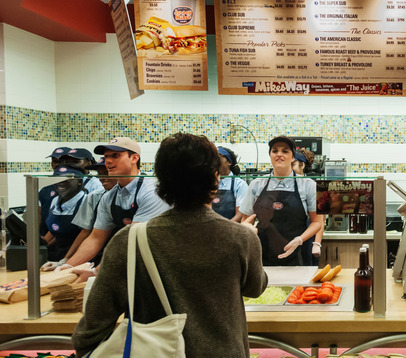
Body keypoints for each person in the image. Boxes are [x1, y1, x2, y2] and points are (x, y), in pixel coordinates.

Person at [72, 133, 266, 358]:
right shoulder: (241, 238)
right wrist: (252, 241)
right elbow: (255, 288)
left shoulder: (129, 239)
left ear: (161, 180)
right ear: (215, 178)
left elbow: (93, 325)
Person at [57, 137, 169, 270]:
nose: (108, 161)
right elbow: (96, 238)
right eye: (106, 156)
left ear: (134, 158)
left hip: (158, 264)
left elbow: (133, 240)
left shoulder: (151, 191)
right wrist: (67, 266)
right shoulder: (109, 196)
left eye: (115, 155)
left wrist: (97, 271)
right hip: (129, 261)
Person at [239, 136, 323, 266]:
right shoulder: (257, 184)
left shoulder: (308, 184)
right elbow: (245, 220)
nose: (279, 154)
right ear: (270, 155)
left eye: (285, 151)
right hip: (262, 253)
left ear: (293, 157)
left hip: (297, 253)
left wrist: (300, 240)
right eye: (275, 151)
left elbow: (317, 222)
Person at [41, 157, 118, 271]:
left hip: (116, 257)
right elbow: (86, 233)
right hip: (90, 258)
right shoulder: (95, 197)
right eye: (99, 174)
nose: (102, 178)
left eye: (106, 173)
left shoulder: (138, 194)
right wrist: (65, 261)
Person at [42, 166, 88, 262]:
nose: (60, 182)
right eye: (57, 179)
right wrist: (40, 245)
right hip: (55, 255)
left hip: (77, 256)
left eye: (66, 179)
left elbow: (85, 234)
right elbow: (56, 230)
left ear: (79, 181)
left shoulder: (86, 201)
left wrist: (66, 260)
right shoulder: (55, 200)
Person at [212, 146, 249, 222]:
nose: (215, 160)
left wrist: (226, 228)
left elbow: (240, 215)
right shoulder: (208, 183)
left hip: (231, 230)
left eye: (218, 156)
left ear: (229, 162)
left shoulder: (239, 184)